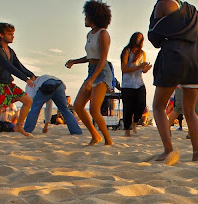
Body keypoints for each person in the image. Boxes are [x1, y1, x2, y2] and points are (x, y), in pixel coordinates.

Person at [149, 0, 198, 163]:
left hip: (173, 57)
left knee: (159, 106)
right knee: (190, 111)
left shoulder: (163, 4)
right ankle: (197, 154)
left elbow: (154, 38)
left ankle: (168, 150)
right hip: (195, 61)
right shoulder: (192, 10)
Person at [65, 1, 114, 146]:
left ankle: (108, 140)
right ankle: (95, 135)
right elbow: (90, 56)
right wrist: (74, 61)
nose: (85, 18)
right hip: (91, 69)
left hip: (102, 71)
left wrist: (92, 80)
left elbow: (102, 58)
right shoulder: (90, 34)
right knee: (78, 105)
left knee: (94, 109)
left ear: (94, 16)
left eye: (86, 15)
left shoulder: (103, 34)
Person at [0, 22, 35, 140]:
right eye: (9, 34)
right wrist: (25, 79)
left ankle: (19, 126)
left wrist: (31, 75)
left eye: (13, 34)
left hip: (8, 84)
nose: (13, 36)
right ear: (1, 35)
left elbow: (18, 65)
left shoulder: (10, 50)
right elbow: (7, 66)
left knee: (27, 101)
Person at [120, 32, 152, 137]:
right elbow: (124, 69)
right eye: (138, 38)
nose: (139, 40)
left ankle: (135, 123)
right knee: (128, 108)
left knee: (141, 104)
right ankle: (127, 130)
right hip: (127, 84)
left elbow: (142, 70)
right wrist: (138, 67)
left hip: (139, 83)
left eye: (141, 38)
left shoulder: (142, 53)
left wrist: (145, 68)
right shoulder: (127, 51)